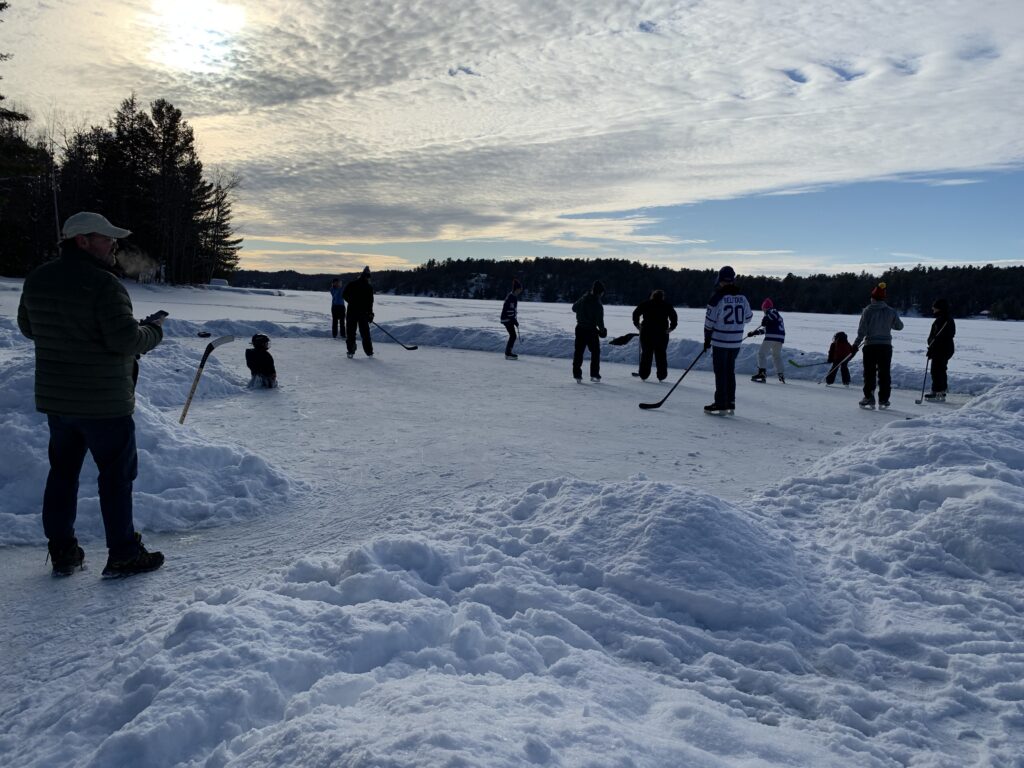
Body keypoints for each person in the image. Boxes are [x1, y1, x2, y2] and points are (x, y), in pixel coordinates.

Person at [17, 211, 165, 578]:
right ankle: (124, 554)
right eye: (106, 238)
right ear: (82, 241)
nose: (114, 244)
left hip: (59, 402)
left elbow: (28, 327)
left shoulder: (38, 279)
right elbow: (125, 340)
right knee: (116, 477)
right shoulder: (104, 284)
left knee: (62, 474)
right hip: (104, 403)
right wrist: (153, 332)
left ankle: (63, 551)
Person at [703, 266, 752, 414]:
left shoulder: (717, 298)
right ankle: (730, 402)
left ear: (720, 281)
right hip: (736, 342)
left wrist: (707, 340)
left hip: (720, 341)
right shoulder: (742, 298)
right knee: (730, 371)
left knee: (720, 372)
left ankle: (720, 403)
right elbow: (748, 318)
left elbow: (709, 322)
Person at [852, 281, 904, 409]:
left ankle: (869, 397)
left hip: (870, 346)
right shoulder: (891, 311)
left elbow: (862, 331)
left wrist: (855, 344)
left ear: (873, 298)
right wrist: (887, 323)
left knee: (869, 373)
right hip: (886, 347)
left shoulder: (867, 311)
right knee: (884, 373)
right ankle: (884, 399)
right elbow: (899, 326)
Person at [631, 289, 678, 381]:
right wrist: (671, 328)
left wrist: (637, 325)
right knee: (661, 355)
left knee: (646, 354)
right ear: (662, 297)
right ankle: (662, 375)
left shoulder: (646, 304)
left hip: (646, 332)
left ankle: (644, 374)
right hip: (662, 333)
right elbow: (674, 318)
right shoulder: (667, 305)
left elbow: (635, 313)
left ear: (652, 296)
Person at [571, 280, 607, 382]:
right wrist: (603, 331)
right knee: (595, 352)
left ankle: (577, 374)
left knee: (579, 352)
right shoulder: (598, 304)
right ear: (600, 293)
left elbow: (574, 308)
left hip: (580, 328)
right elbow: (600, 321)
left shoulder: (584, 298)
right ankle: (594, 374)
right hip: (591, 330)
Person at [748, 298, 786, 383]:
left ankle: (762, 373)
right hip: (779, 338)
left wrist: (765, 319)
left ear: (766, 308)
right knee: (776, 355)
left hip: (772, 337)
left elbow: (771, 317)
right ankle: (780, 373)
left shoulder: (772, 312)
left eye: (763, 309)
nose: (763, 311)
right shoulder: (774, 316)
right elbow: (767, 329)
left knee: (762, 353)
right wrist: (755, 332)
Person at [925, 298, 956, 401]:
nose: (932, 309)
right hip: (944, 348)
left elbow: (938, 337)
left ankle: (937, 391)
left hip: (942, 349)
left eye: (935, 307)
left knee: (936, 370)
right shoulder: (944, 318)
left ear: (940, 308)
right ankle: (941, 391)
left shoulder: (943, 319)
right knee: (941, 369)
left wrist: (931, 348)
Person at [342, 266, 375, 358]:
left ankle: (365, 352)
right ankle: (356, 351)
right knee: (356, 333)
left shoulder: (368, 287)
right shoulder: (354, 284)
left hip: (360, 313)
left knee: (360, 333)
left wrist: (370, 314)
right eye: (367, 276)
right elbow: (344, 295)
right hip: (354, 312)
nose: (367, 278)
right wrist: (352, 301)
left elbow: (370, 302)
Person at [500, 279, 523, 359]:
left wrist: (514, 320)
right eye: (520, 290)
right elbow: (509, 312)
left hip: (507, 318)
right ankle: (508, 354)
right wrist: (514, 321)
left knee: (513, 335)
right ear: (516, 289)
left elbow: (512, 311)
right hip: (507, 319)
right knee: (513, 335)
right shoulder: (511, 297)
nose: (520, 291)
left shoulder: (512, 296)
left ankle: (508, 353)